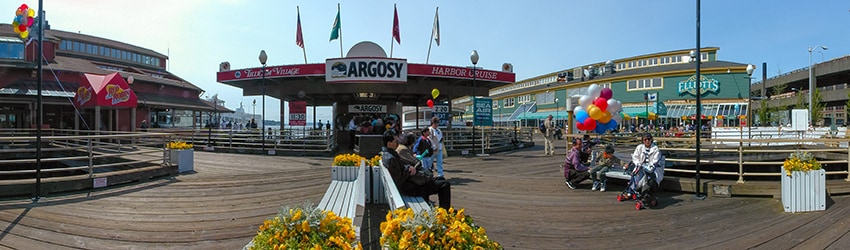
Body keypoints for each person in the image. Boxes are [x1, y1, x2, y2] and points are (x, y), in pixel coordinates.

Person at [382, 133, 451, 209]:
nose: (397, 143)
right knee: (444, 185)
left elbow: (400, 171)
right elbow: (399, 180)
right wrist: (409, 170)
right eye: (395, 141)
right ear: (389, 143)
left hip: (408, 184)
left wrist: (409, 167)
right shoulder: (391, 158)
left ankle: (442, 209)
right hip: (409, 188)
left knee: (441, 179)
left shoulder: (388, 155)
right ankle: (445, 212)